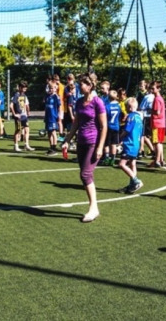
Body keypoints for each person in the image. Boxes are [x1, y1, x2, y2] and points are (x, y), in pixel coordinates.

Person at [61, 73, 107, 223]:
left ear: (90, 86)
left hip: (93, 143)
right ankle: (94, 207)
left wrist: (100, 147)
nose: (79, 86)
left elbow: (104, 126)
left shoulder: (98, 102)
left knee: (85, 175)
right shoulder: (79, 102)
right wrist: (67, 140)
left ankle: (93, 208)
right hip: (81, 142)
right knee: (86, 175)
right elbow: (76, 123)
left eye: (81, 84)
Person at [118, 97, 144, 194]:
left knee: (122, 164)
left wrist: (120, 138)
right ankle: (132, 185)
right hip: (136, 144)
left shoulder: (131, 117)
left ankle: (136, 181)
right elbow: (141, 134)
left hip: (129, 144)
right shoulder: (139, 118)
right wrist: (141, 145)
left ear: (129, 107)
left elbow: (127, 130)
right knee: (132, 163)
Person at [10, 81, 35, 152]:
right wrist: (14, 114)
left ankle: (26, 145)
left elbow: (26, 104)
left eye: (26, 88)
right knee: (18, 130)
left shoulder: (24, 95)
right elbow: (11, 105)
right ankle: (16, 146)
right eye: (24, 88)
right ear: (20, 88)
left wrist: (28, 112)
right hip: (18, 116)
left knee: (27, 129)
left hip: (24, 115)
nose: (25, 89)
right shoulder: (16, 95)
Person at [148, 81, 166, 168]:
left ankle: (157, 160)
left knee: (156, 142)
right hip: (162, 124)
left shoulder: (157, 99)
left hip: (157, 124)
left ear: (158, 89)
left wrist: (150, 110)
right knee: (160, 142)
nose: (151, 90)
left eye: (153, 88)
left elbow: (157, 112)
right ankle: (161, 160)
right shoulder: (160, 98)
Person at [102, 90, 122, 165]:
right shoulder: (118, 106)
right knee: (114, 143)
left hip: (108, 126)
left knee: (106, 143)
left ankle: (106, 158)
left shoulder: (107, 107)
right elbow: (120, 116)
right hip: (116, 127)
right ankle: (113, 159)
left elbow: (105, 117)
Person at [44, 81, 61, 155]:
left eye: (52, 88)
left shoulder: (56, 97)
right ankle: (51, 147)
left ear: (55, 89)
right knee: (49, 132)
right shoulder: (47, 96)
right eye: (50, 88)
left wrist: (59, 115)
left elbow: (59, 107)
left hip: (53, 117)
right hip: (47, 117)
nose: (51, 89)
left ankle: (54, 147)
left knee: (53, 132)